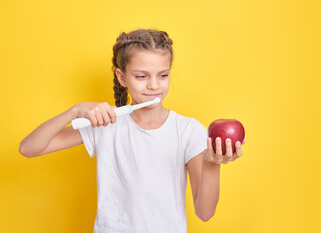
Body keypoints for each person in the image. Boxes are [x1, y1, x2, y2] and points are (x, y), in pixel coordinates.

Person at [19, 28, 246, 232]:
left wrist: (211, 164)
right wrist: (74, 111)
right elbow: (28, 148)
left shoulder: (187, 130)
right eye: (141, 76)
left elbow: (205, 213)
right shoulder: (106, 123)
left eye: (163, 75)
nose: (154, 85)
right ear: (122, 77)